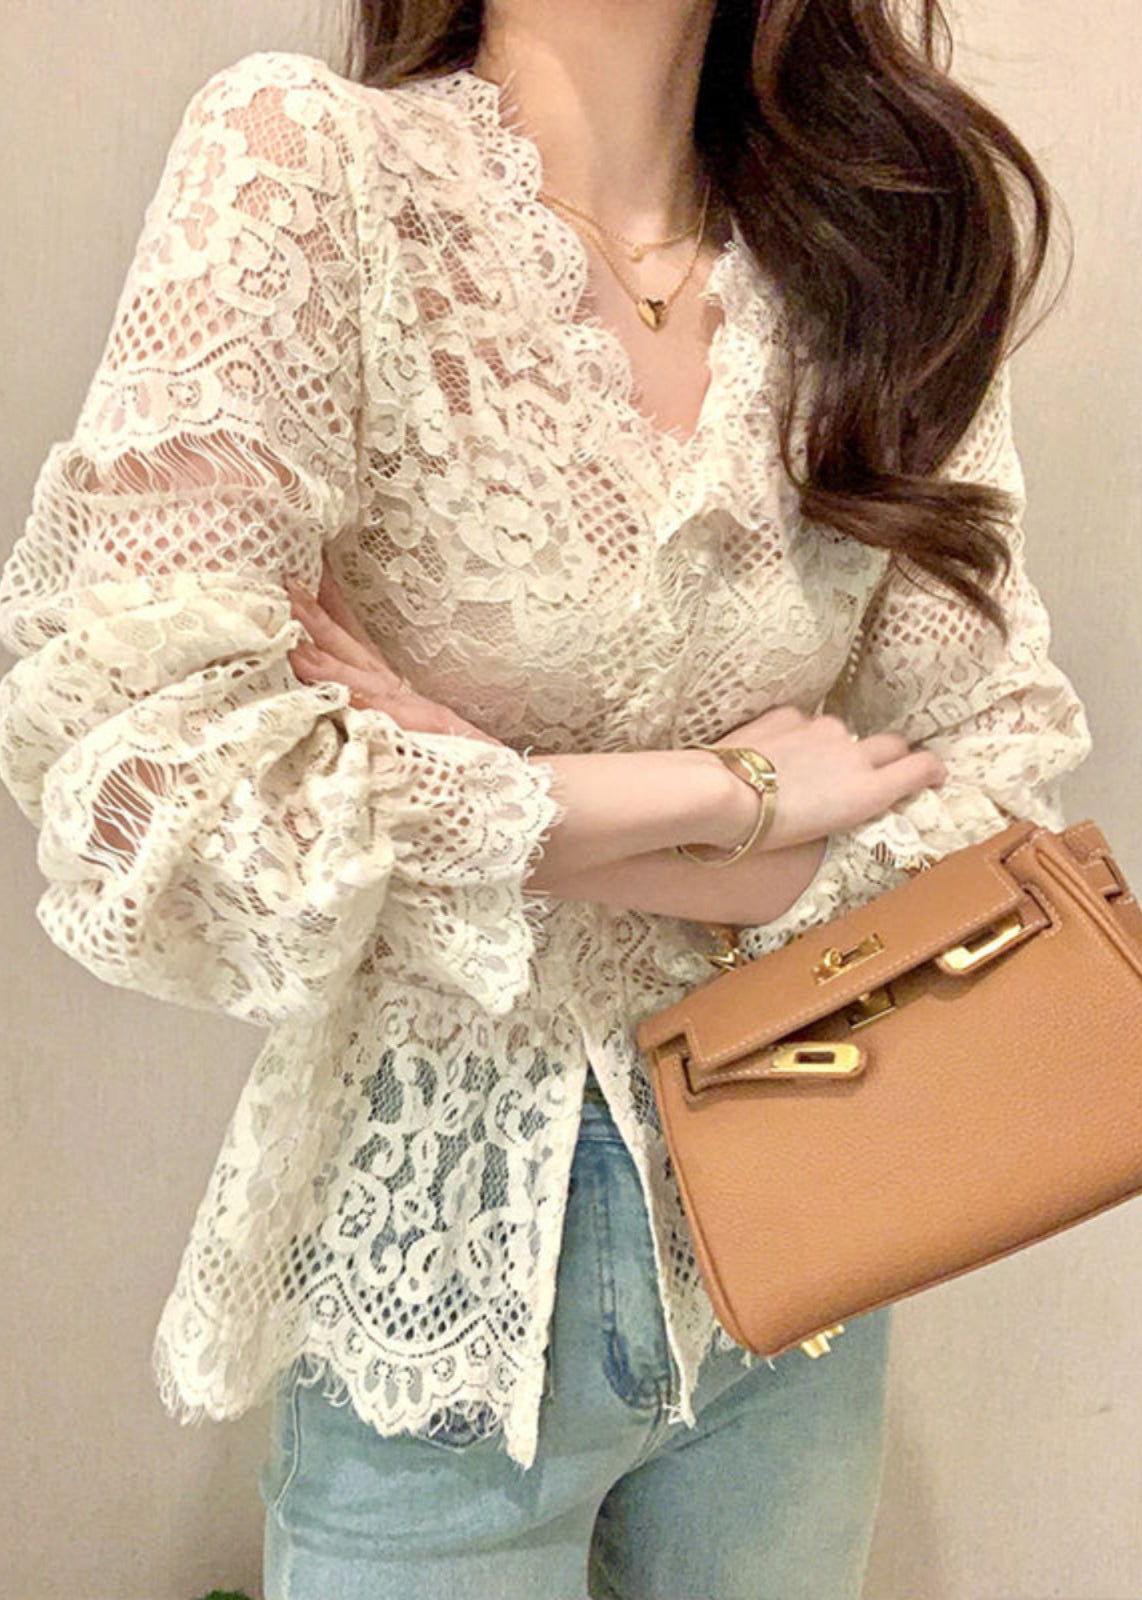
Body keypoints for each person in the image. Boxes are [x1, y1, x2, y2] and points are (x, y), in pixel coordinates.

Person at [0, 2, 1093, 1596]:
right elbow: (150, 770)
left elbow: (998, 791)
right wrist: (730, 796)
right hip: (436, 1279)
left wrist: (563, 818)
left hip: (813, 1252)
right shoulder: (311, 171)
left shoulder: (880, 246)